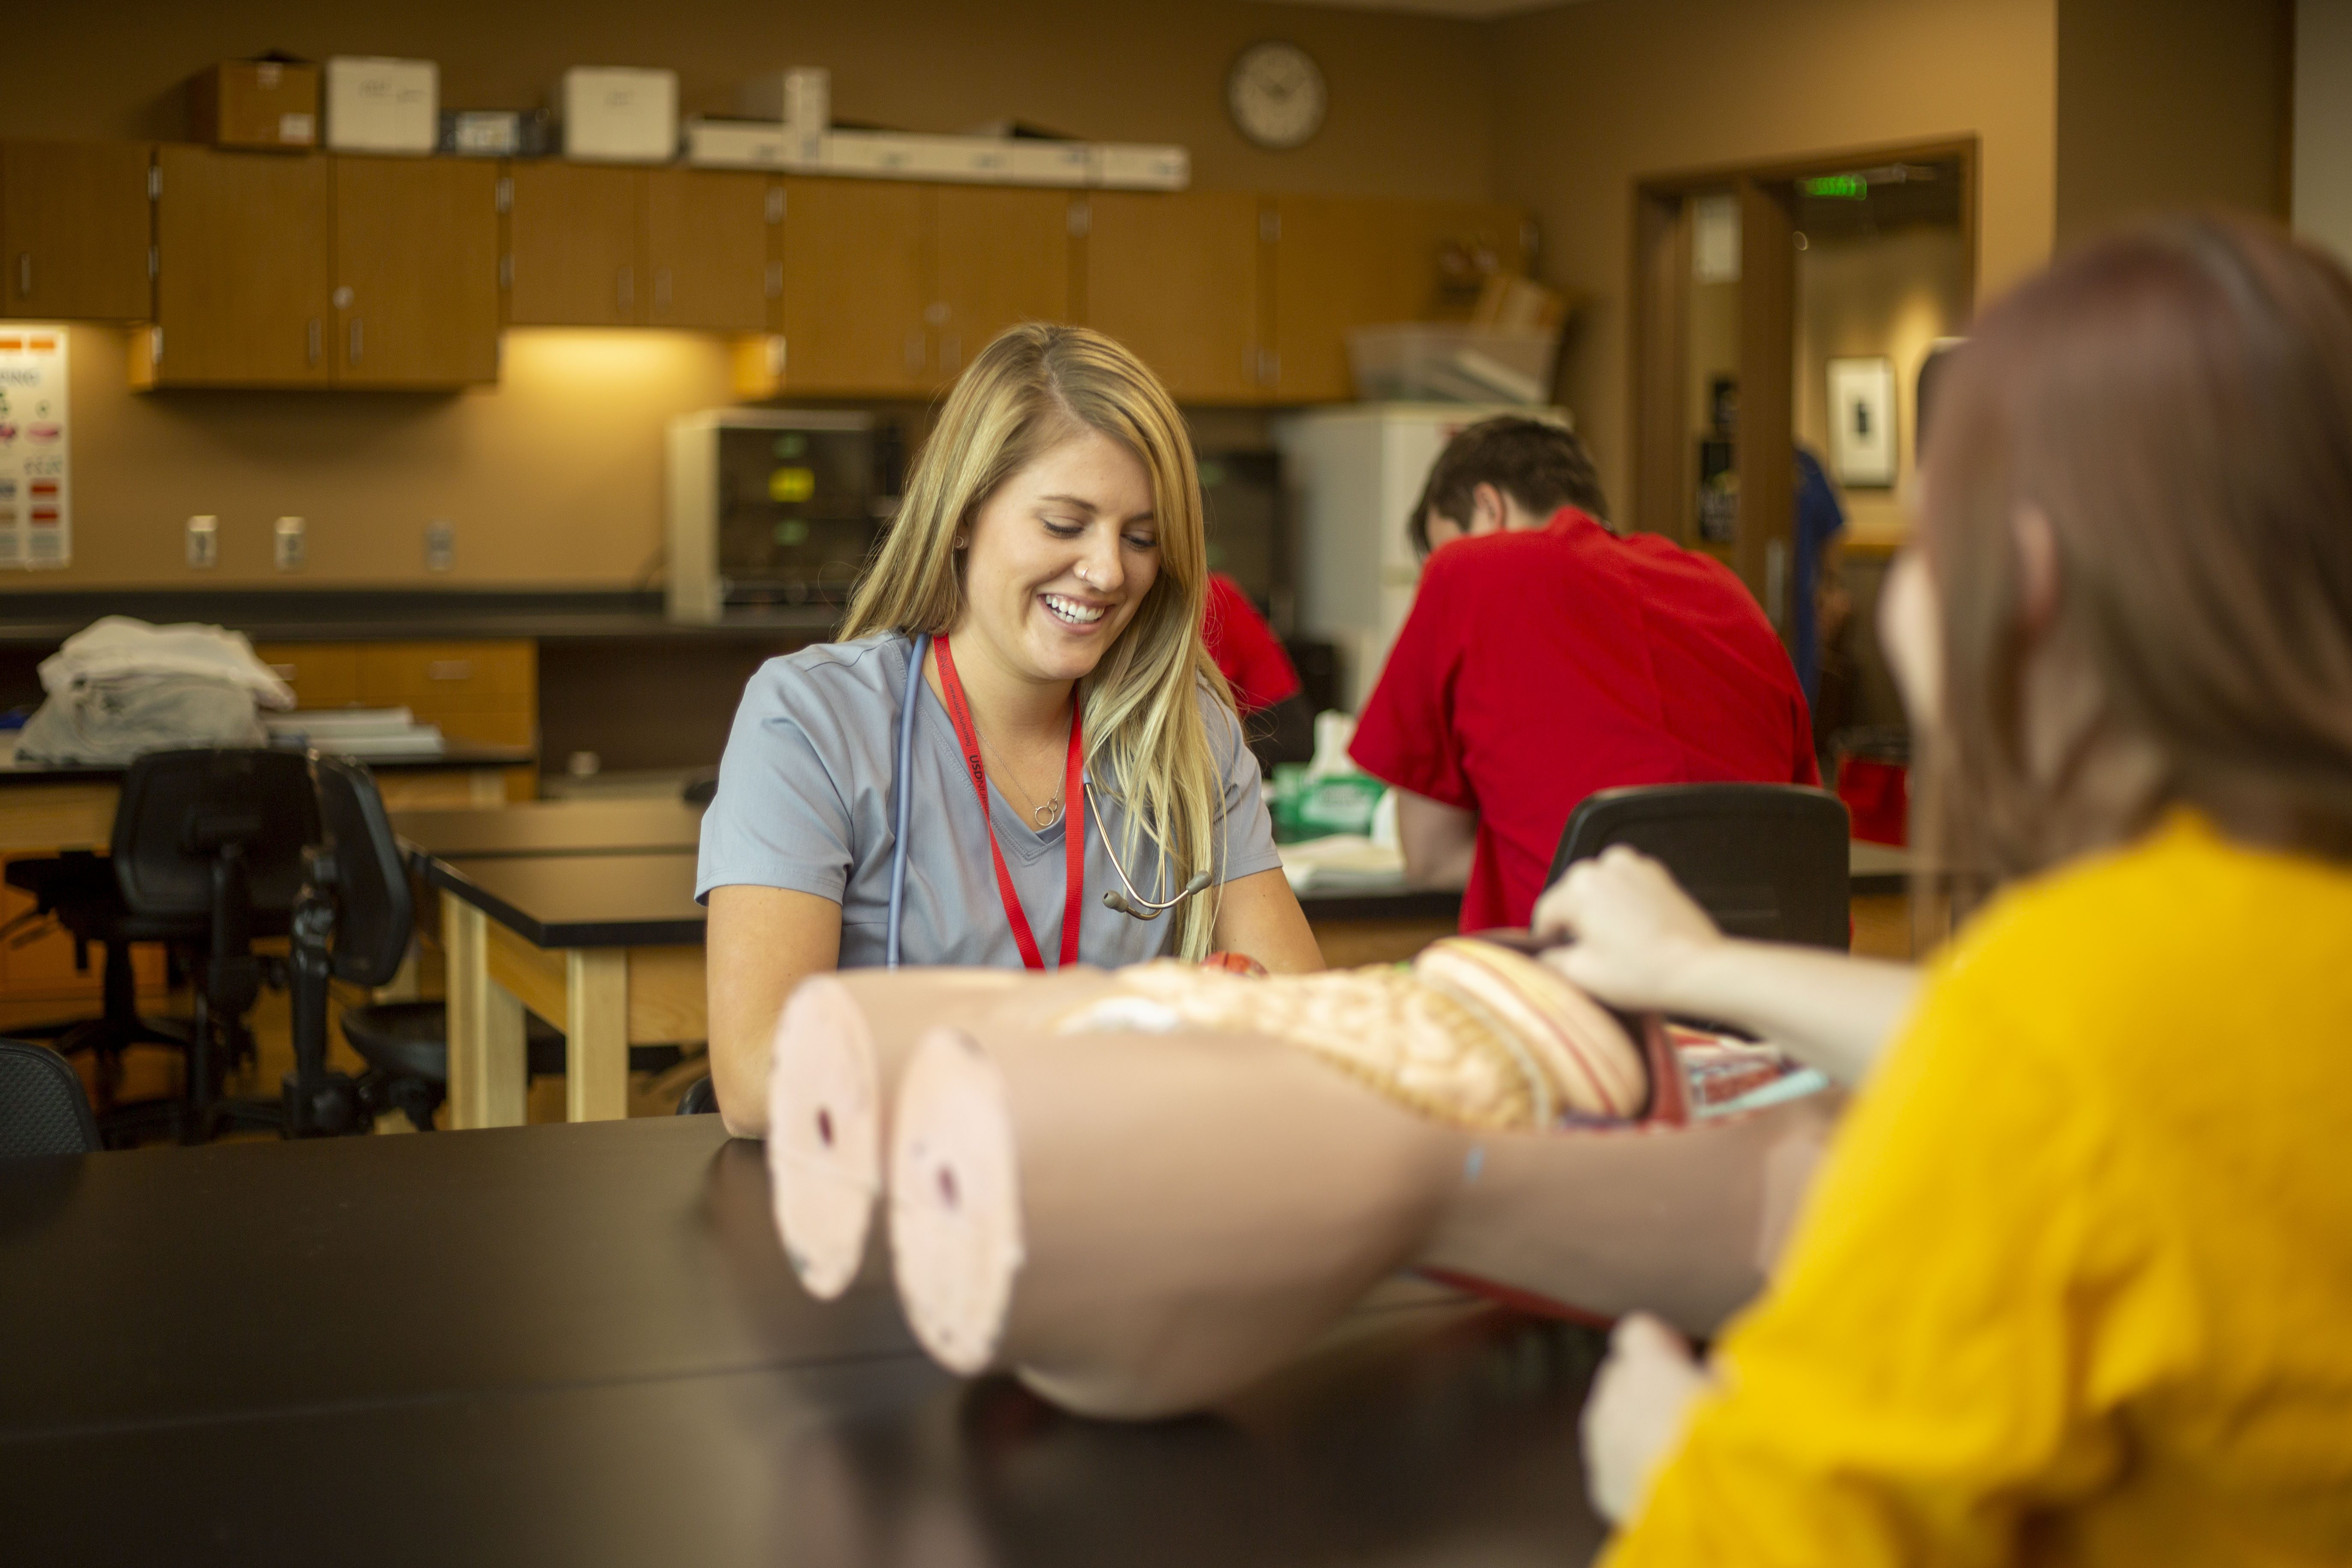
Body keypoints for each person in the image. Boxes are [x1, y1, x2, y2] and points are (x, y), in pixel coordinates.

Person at [1552, 215, 2352, 1560]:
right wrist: (1695, 970)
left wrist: (1666, 1460)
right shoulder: (2230, 955)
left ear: (2020, 583)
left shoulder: (2067, 1002)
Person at [698, 325, 1323, 1135]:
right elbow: (756, 1080)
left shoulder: (1187, 731)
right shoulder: (812, 720)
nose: (1107, 572)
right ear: (961, 516)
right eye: (1064, 525)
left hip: (1127, 1213)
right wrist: (1108, 1034)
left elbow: (1303, 1027)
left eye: (1140, 537)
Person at [1349, 416, 1818, 932]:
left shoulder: (1467, 569)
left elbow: (1431, 860)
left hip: (1580, 980)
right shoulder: (1725, 588)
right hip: (1765, 976)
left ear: (1488, 507)